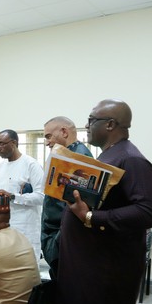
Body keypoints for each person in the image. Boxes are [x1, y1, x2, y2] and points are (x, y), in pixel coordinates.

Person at [36, 99, 152, 304]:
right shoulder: (107, 157)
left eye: (91, 120)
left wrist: (92, 218)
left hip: (105, 275)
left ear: (110, 125)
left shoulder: (132, 160)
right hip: (86, 269)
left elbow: (149, 211)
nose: (86, 125)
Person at [41, 116, 93, 279]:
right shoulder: (67, 155)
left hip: (62, 238)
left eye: (49, 136)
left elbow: (74, 205)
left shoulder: (78, 159)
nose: (46, 142)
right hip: (57, 236)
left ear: (64, 132)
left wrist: (57, 241)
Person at [0, 129, 45, 254]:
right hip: (3, 228)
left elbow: (42, 197)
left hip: (26, 229)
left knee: (26, 268)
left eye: (1, 144)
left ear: (14, 143)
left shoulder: (31, 165)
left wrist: (13, 197)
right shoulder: (0, 167)